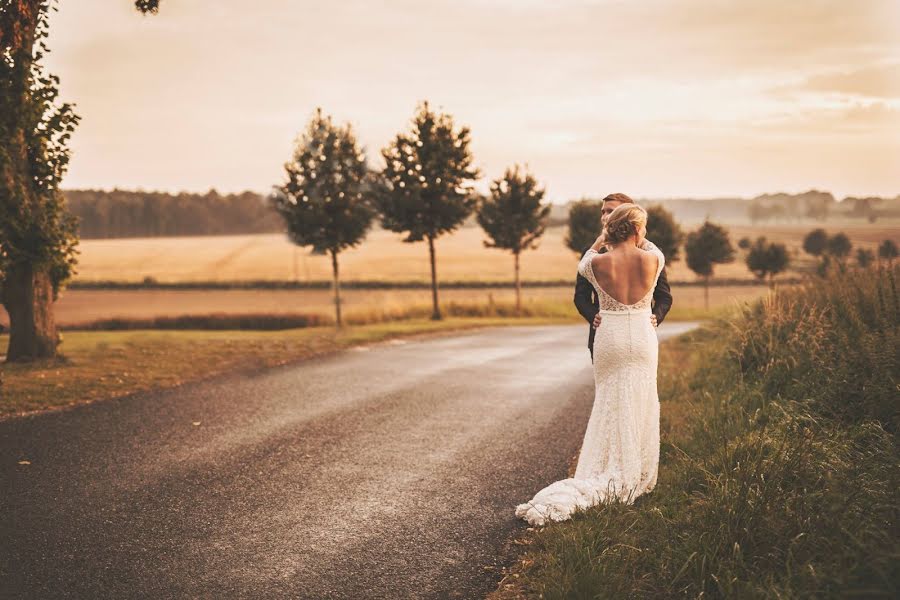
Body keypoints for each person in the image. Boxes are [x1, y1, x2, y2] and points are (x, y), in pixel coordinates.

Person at [515, 203, 665, 526]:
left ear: (612, 230)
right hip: (642, 335)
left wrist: (603, 237)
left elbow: (585, 258)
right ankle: (633, 470)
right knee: (640, 399)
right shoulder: (654, 259)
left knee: (610, 400)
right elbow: (651, 245)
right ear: (638, 231)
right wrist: (634, 227)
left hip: (608, 335)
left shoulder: (594, 263)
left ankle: (607, 466)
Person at [574, 193, 672, 362]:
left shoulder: (650, 257)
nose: (605, 217)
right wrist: (593, 316)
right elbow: (580, 297)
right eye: (603, 212)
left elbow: (664, 296)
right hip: (603, 334)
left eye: (610, 212)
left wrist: (657, 316)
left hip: (641, 334)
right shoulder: (593, 253)